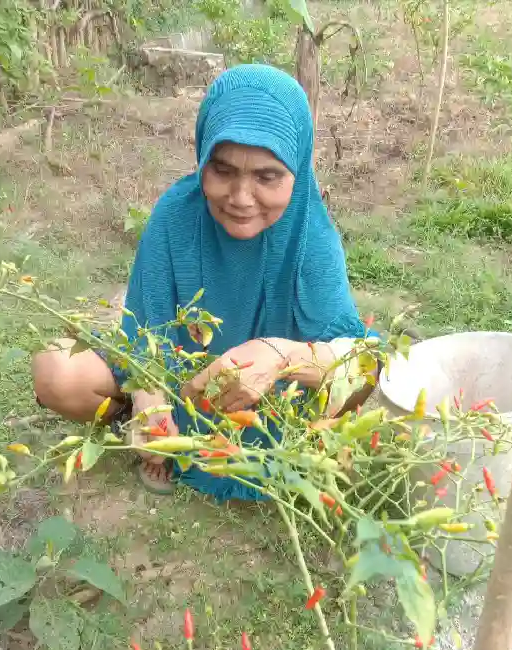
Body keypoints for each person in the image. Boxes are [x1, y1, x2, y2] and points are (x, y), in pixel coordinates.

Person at [31, 65, 377, 502]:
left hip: (271, 399)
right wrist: (149, 402)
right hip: (181, 380)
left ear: (297, 169)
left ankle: (273, 444)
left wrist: (282, 355)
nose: (241, 198)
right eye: (223, 170)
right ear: (202, 157)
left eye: (267, 176)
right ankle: (136, 424)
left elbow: (361, 361)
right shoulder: (175, 214)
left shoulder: (310, 235)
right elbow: (144, 331)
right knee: (56, 369)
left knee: (362, 378)